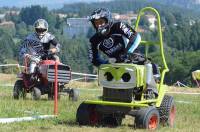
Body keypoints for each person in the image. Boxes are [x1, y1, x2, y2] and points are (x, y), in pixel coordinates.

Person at [88, 8, 158, 98]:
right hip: (114, 63)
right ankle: (107, 96)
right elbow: (93, 59)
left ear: (107, 20)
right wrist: (106, 63)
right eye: (96, 23)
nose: (99, 25)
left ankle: (152, 92)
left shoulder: (118, 26)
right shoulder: (94, 40)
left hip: (132, 56)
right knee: (107, 73)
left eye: (101, 21)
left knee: (146, 64)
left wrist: (126, 53)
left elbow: (136, 37)